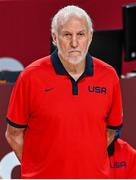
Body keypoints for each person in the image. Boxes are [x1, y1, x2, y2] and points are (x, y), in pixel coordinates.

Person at [5, 5, 123, 178]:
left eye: (80, 34)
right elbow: (13, 134)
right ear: (54, 37)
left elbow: (110, 131)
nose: (74, 43)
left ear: (90, 37)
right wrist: (39, 167)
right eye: (67, 35)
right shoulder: (30, 77)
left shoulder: (109, 76)